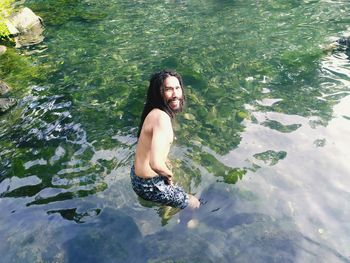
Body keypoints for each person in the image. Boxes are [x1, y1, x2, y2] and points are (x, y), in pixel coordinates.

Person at [130, 70, 200, 209]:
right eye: (168, 89)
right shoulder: (162, 118)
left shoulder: (153, 112)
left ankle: (167, 207)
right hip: (149, 186)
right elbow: (155, 164)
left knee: (170, 165)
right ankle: (188, 223)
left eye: (177, 88)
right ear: (159, 93)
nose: (175, 94)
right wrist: (169, 176)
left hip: (137, 177)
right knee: (195, 204)